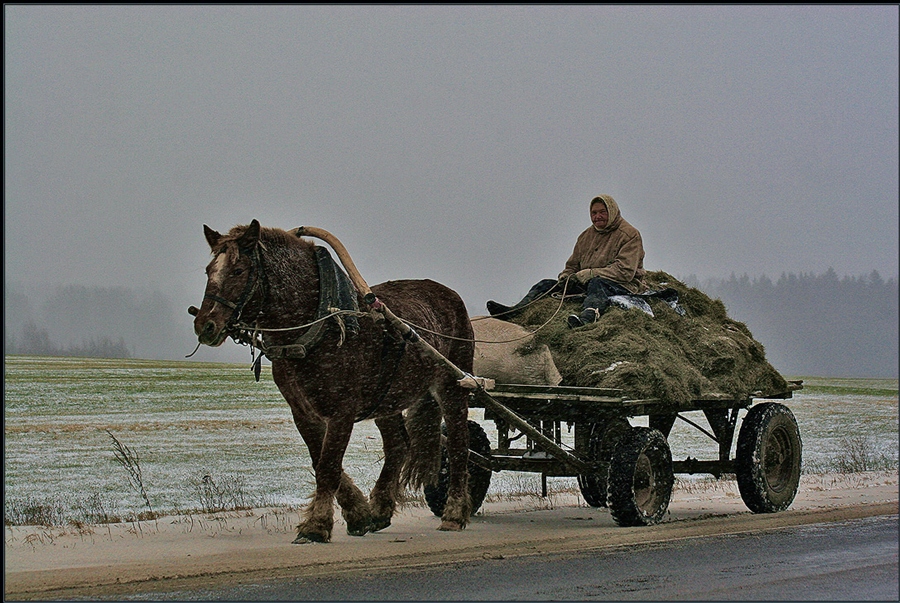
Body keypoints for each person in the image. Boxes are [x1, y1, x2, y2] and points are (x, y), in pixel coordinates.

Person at [486, 194, 648, 328]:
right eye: (594, 213)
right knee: (545, 284)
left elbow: (625, 271)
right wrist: (566, 276)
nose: (597, 217)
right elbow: (572, 265)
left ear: (612, 211)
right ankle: (515, 312)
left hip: (623, 285)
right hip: (588, 283)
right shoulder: (585, 236)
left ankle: (589, 316)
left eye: (602, 212)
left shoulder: (630, 235)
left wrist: (591, 274)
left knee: (597, 283)